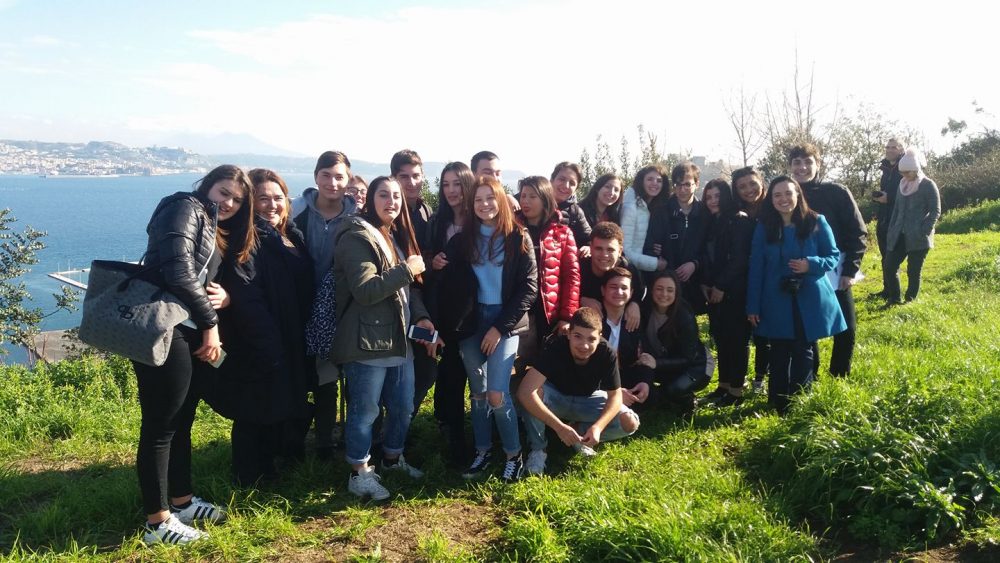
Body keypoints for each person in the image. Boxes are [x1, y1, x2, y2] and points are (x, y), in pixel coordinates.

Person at [134, 165, 255, 544]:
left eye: (237, 198)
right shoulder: (184, 207)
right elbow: (177, 271)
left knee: (182, 419)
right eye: (224, 192)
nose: (230, 203)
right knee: (161, 424)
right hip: (164, 328)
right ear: (207, 186)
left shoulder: (212, 220)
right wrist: (210, 322)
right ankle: (157, 522)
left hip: (183, 331)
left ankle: (181, 501)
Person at [330, 176, 435, 500]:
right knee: (365, 411)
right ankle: (359, 473)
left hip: (399, 339)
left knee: (403, 406)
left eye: (396, 197)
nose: (392, 202)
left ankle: (391, 459)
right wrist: (406, 268)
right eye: (384, 195)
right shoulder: (356, 236)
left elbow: (406, 290)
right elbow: (365, 290)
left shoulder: (394, 236)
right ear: (370, 200)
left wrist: (421, 316)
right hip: (367, 343)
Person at [209, 168, 315, 486]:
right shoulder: (250, 239)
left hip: (291, 332)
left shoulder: (291, 235)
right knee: (254, 408)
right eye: (263, 198)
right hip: (261, 335)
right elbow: (246, 293)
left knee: (278, 402)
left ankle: (275, 463)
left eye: (278, 197)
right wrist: (267, 342)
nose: (272, 205)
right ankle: (250, 476)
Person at [437, 175, 538, 482]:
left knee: (497, 393)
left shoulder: (518, 237)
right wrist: (438, 262)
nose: (484, 205)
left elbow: (529, 288)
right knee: (478, 393)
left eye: (490, 198)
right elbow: (447, 274)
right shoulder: (462, 239)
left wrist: (498, 328)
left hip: (503, 322)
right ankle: (482, 451)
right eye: (478, 200)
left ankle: (513, 454)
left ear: (501, 201)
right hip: (470, 322)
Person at [746, 176, 846, 414]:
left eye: (788, 193)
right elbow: (756, 267)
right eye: (777, 195)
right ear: (771, 199)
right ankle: (777, 401)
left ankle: (800, 400)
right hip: (775, 298)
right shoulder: (764, 227)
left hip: (808, 297)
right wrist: (753, 305)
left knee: (803, 349)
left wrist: (810, 264)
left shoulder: (816, 221)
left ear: (798, 195)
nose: (783, 199)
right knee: (778, 350)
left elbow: (832, 256)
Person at [517, 308, 641, 476]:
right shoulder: (556, 347)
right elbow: (525, 391)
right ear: (569, 333)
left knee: (630, 422)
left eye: (591, 339)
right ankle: (539, 449)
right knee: (534, 394)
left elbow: (615, 396)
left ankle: (580, 434)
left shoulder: (607, 352)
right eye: (578, 336)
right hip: (556, 398)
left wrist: (598, 427)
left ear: (599, 337)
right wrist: (559, 427)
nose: (584, 345)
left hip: (588, 399)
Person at [291, 151, 357, 458]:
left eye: (339, 176)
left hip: (341, 307)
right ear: (316, 176)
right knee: (309, 375)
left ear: (348, 180)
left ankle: (329, 441)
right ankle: (302, 436)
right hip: (297, 304)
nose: (333, 182)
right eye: (327, 175)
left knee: (333, 374)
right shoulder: (295, 212)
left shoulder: (357, 218)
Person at [788, 143, 866, 378]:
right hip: (802, 268)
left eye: (808, 162)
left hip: (836, 267)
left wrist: (850, 270)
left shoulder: (837, 192)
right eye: (797, 163)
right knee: (808, 326)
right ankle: (811, 374)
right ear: (790, 166)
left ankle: (839, 375)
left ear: (818, 164)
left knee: (846, 326)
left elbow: (857, 231)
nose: (802, 167)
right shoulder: (786, 194)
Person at [424, 161, 475, 465]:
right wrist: (434, 263)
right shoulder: (437, 220)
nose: (452, 190)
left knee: (467, 368)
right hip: (444, 305)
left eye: (457, 183)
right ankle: (451, 428)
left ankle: (468, 428)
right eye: (446, 184)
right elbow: (425, 255)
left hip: (473, 307)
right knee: (451, 368)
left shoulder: (479, 219)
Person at [514, 175, 580, 372]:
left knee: (545, 367)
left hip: (549, 313)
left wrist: (567, 317)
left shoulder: (561, 233)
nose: (525, 201)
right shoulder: (511, 229)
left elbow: (572, 276)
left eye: (532, 196)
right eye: (523, 196)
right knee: (515, 367)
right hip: (520, 311)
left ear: (544, 199)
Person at [390, 149, 438, 421]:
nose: (411, 182)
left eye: (416, 176)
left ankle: (401, 425)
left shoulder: (425, 210)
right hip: (395, 302)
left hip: (419, 301)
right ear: (394, 177)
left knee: (426, 370)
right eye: (403, 176)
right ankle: (387, 433)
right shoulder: (388, 211)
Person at [698, 179, 753, 407]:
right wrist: (706, 283)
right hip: (714, 291)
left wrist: (721, 285)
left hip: (735, 290)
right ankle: (724, 385)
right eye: (708, 197)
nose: (712, 201)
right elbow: (708, 256)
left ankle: (737, 391)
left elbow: (740, 259)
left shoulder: (739, 219)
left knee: (737, 340)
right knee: (721, 337)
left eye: (717, 196)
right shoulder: (712, 221)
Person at [638, 270, 712, 415]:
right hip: (663, 360)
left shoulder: (684, 316)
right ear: (651, 289)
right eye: (659, 288)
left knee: (672, 390)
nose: (664, 294)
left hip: (696, 366)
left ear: (676, 293)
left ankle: (686, 399)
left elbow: (688, 358)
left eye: (670, 290)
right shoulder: (644, 308)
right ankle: (665, 398)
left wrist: (656, 363)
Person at [647, 161, 708, 314]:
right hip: (666, 282)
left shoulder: (705, 213)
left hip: (695, 282)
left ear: (696, 184)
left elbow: (710, 247)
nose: (682, 190)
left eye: (687, 184)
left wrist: (694, 264)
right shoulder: (661, 211)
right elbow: (651, 244)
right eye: (678, 184)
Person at [883, 148, 941, 305]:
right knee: (889, 266)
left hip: (918, 237)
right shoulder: (902, 185)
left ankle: (910, 300)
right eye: (902, 173)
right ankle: (894, 299)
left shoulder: (928, 185)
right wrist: (892, 229)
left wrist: (924, 230)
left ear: (916, 169)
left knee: (913, 271)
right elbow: (896, 210)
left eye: (907, 172)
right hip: (899, 234)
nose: (904, 176)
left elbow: (935, 211)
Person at [732, 166, 769, 392]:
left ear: (761, 182)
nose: (749, 190)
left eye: (752, 184)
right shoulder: (736, 213)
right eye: (742, 186)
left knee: (766, 332)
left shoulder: (773, 207)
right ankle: (741, 377)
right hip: (742, 278)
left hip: (769, 276)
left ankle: (761, 377)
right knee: (745, 330)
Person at [598, 267, 653, 410]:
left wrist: (644, 382)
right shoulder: (593, 319)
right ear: (603, 290)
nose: (619, 292)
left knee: (651, 395)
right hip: (595, 381)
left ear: (631, 293)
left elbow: (643, 356)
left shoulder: (635, 319)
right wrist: (614, 392)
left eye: (624, 288)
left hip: (624, 376)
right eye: (613, 287)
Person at [578, 221, 644, 331]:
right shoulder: (580, 268)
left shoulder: (628, 269)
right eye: (599, 248)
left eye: (610, 250)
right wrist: (581, 300)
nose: (604, 255)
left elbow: (640, 290)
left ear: (620, 251)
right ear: (591, 248)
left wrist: (635, 303)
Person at [620, 164, 668, 274]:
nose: (655, 183)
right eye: (650, 179)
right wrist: (655, 263)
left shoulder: (652, 206)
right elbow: (625, 251)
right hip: (631, 271)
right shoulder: (631, 207)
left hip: (642, 269)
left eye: (659, 180)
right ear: (641, 181)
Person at [873, 138, 905, 298]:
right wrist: (880, 197)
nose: (890, 150)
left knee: (892, 257)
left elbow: (910, 192)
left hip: (898, 218)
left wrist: (890, 198)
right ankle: (887, 290)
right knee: (885, 254)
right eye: (887, 147)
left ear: (901, 150)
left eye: (894, 147)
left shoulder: (906, 167)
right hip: (884, 216)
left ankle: (895, 293)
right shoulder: (886, 169)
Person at [550, 161, 592, 248]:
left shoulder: (575, 212)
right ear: (552, 180)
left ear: (576, 189)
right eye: (562, 179)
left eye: (572, 183)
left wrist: (588, 247)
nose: (566, 185)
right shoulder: (535, 200)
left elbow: (590, 239)